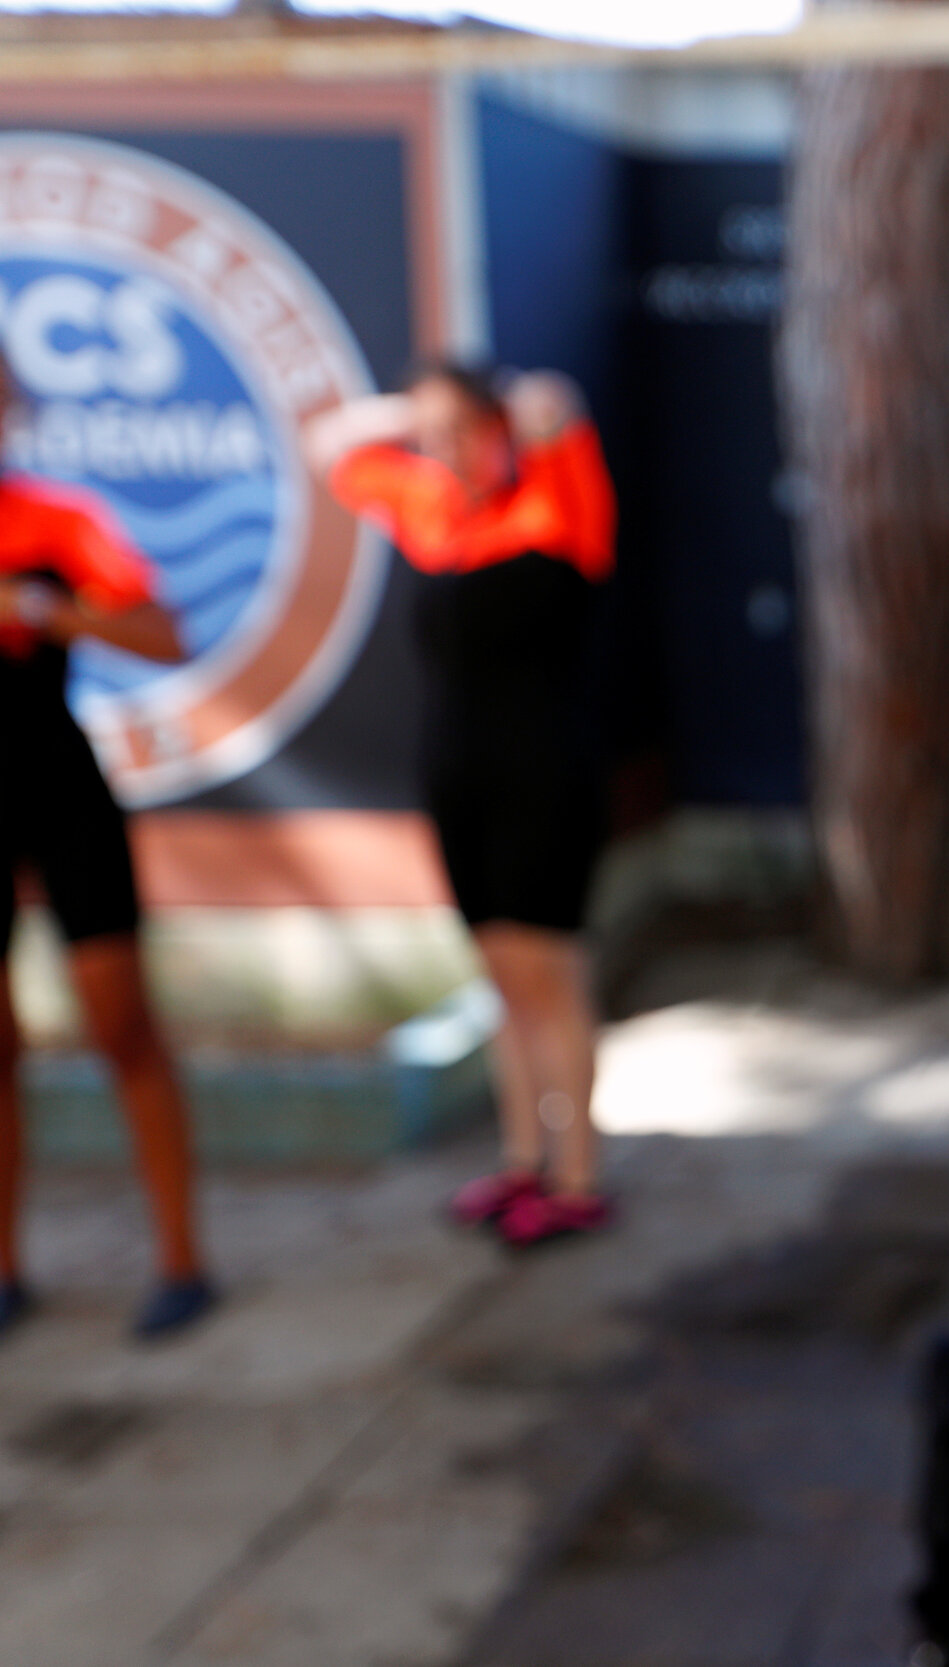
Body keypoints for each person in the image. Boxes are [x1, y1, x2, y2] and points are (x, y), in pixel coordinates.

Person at [304, 363, 614, 1249]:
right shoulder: (433, 508)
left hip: (544, 769)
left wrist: (504, 408)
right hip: (459, 771)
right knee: (498, 973)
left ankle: (578, 1172)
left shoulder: (560, 498)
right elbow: (329, 445)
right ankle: (523, 1159)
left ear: (496, 425)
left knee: (546, 968)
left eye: (462, 428)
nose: (446, 447)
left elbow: (557, 402)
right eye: (432, 434)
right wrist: (422, 413)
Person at [0, 361, 215, 1341]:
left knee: (121, 1020)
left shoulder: (56, 518)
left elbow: (165, 632)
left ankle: (181, 1256)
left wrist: (53, 611)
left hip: (56, 785)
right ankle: (7, 1268)